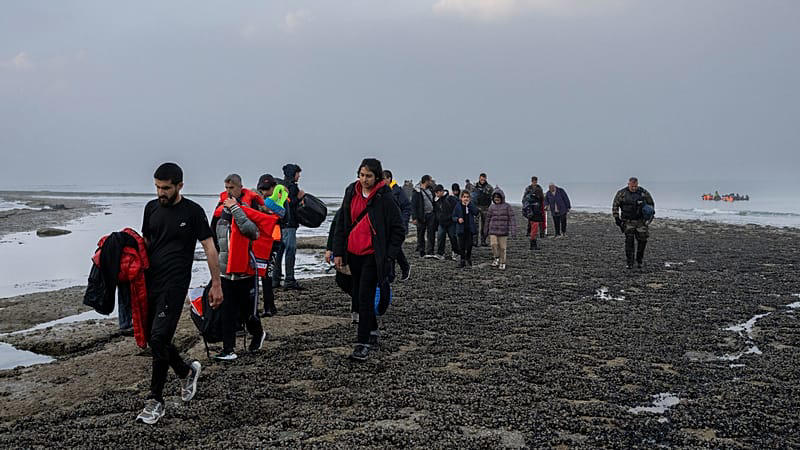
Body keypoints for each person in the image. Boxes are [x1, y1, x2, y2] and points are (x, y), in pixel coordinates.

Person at [137, 162, 223, 425]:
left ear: (179, 186)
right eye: (157, 187)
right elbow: (147, 244)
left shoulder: (193, 212)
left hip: (175, 285)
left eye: (165, 188)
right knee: (155, 340)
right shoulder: (151, 208)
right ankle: (186, 372)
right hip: (151, 282)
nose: (160, 193)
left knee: (159, 337)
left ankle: (155, 401)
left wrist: (216, 284)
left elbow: (209, 247)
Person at [333, 158, 405, 361]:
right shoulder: (351, 191)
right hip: (353, 254)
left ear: (377, 177)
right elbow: (342, 222)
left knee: (364, 296)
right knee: (357, 293)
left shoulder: (385, 198)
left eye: (369, 176)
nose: (365, 179)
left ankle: (362, 344)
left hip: (373, 256)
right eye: (362, 175)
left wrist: (389, 255)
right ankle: (372, 328)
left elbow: (399, 230)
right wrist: (338, 251)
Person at [212, 174, 271, 361]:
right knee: (227, 311)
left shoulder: (249, 207)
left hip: (246, 270)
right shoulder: (220, 211)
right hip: (225, 271)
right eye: (226, 187)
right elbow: (213, 237)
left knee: (248, 312)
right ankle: (228, 349)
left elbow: (252, 231)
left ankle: (258, 333)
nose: (228, 191)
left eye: (232, 188)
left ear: (240, 187)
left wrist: (236, 209)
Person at [272, 164, 305, 290]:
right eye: (298, 173)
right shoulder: (291, 187)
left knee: (279, 251)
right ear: (293, 173)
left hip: (279, 224)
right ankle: (289, 280)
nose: (299, 176)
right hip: (289, 224)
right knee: (290, 251)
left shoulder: (279, 186)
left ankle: (275, 279)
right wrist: (299, 198)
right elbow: (289, 205)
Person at [256, 174, 285, 317]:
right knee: (261, 273)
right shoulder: (260, 201)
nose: (265, 192)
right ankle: (266, 306)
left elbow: (286, 218)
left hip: (274, 241)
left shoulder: (281, 201)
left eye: (267, 189)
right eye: (262, 189)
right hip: (261, 241)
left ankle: (269, 307)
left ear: (274, 187)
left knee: (267, 274)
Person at [612, 177, 655, 269]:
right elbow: (615, 205)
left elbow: (651, 205)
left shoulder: (643, 193)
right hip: (628, 221)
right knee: (629, 241)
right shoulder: (622, 193)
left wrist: (649, 217)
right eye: (632, 186)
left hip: (641, 221)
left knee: (643, 241)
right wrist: (616, 218)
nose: (634, 188)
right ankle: (629, 262)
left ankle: (639, 260)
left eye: (635, 186)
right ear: (628, 184)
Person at [383, 170, 412, 281]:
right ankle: (393, 274)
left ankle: (401, 269)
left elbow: (407, 207)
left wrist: (403, 222)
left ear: (389, 178)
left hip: (398, 226)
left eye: (383, 179)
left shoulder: (398, 191)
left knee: (394, 249)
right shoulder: (383, 192)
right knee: (392, 249)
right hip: (387, 226)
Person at [486, 188, 516, 270]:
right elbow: (487, 219)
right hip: (493, 230)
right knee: (493, 244)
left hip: (503, 231)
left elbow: (512, 219)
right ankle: (496, 257)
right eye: (495, 197)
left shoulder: (507, 206)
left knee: (502, 248)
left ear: (502, 197)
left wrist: (513, 231)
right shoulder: (491, 207)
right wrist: (485, 231)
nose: (497, 199)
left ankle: (502, 262)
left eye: (498, 197)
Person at [411, 175, 436, 257]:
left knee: (431, 233)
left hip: (431, 214)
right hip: (421, 215)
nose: (431, 182)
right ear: (426, 181)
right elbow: (413, 205)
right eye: (430, 180)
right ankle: (421, 250)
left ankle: (430, 251)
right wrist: (414, 217)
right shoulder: (417, 191)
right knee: (420, 233)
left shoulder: (431, 189)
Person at [452, 190, 478, 268]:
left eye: (467, 197)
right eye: (464, 197)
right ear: (461, 198)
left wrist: (469, 205)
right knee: (461, 246)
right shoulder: (458, 206)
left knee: (470, 245)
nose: (465, 199)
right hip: (461, 229)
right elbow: (453, 216)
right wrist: (458, 219)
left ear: (469, 198)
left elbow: (476, 212)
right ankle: (462, 260)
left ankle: (468, 258)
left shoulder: (471, 205)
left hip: (469, 228)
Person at [433, 184, 459, 260]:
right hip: (441, 222)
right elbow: (436, 211)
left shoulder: (450, 198)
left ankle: (456, 253)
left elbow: (456, 208)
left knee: (453, 237)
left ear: (441, 191)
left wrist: (453, 217)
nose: (436, 194)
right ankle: (440, 253)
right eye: (435, 193)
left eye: (437, 192)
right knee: (440, 237)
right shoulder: (436, 200)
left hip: (450, 222)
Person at [471, 173, 494, 247]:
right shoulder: (474, 187)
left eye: (484, 179)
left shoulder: (489, 187)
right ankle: (475, 241)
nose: (482, 181)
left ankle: (483, 240)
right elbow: (471, 196)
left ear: (486, 179)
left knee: (485, 225)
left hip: (485, 207)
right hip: (476, 207)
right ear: (479, 178)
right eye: (481, 179)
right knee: (475, 225)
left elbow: (493, 197)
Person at [522, 183, 545, 250]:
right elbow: (537, 209)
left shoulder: (532, 199)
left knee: (533, 230)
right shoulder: (536, 200)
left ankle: (533, 245)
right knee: (534, 231)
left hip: (532, 217)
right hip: (534, 217)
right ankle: (533, 245)